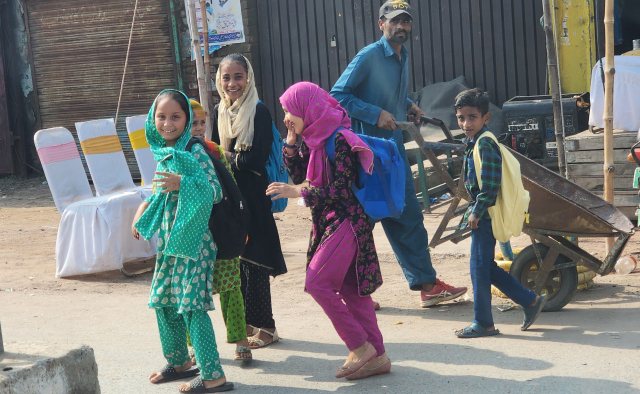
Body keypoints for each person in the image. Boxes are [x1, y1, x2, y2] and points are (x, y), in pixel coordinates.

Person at [330, 0, 467, 308]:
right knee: (363, 220)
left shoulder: (401, 55)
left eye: (405, 22)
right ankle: (351, 288)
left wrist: (407, 104)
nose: (401, 27)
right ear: (381, 24)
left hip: (391, 151)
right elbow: (337, 95)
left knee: (406, 214)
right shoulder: (369, 56)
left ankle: (427, 285)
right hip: (367, 153)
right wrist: (374, 113)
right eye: (394, 21)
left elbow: (388, 91)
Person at [267, 82, 390, 380]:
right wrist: (292, 144)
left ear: (307, 108)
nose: (285, 116)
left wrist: (297, 193)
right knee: (351, 289)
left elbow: (340, 189)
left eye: (289, 110)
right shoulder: (316, 139)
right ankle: (379, 356)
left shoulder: (340, 139)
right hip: (328, 220)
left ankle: (360, 347)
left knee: (317, 282)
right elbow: (302, 177)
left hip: (347, 219)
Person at [132, 89, 234, 392]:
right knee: (163, 301)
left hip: (195, 243)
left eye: (175, 116)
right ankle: (179, 362)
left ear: (187, 120)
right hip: (169, 243)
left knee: (191, 306)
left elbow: (215, 192)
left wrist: (183, 182)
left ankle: (214, 376)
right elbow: (161, 195)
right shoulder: (164, 151)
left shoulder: (193, 149)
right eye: (161, 117)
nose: (167, 123)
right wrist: (144, 215)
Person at [453, 88, 547, 338]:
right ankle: (530, 301)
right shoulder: (473, 142)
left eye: (472, 117)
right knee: (483, 267)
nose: (465, 123)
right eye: (461, 118)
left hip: (484, 216)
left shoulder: (485, 143)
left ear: (486, 118)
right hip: (481, 213)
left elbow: (491, 185)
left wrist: (476, 211)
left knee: (479, 269)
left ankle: (484, 323)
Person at [211, 54, 287, 349]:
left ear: (249, 78)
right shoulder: (219, 110)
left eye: (238, 77)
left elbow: (256, 156)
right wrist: (227, 160)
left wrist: (230, 157)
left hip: (254, 195)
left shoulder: (259, 110)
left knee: (256, 261)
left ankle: (268, 328)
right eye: (227, 77)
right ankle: (251, 323)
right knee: (238, 260)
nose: (232, 83)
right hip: (230, 193)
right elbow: (216, 153)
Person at [190, 99, 252, 361]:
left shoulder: (214, 150)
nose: (199, 128)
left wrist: (240, 222)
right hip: (191, 235)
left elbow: (231, 187)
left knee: (230, 286)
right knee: (189, 293)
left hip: (220, 230)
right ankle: (193, 349)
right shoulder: (172, 155)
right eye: (193, 122)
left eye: (203, 122)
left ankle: (240, 341)